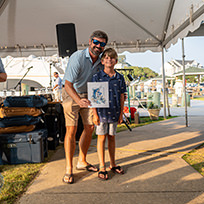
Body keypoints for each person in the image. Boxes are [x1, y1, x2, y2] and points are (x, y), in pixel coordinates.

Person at [62, 30, 108, 184]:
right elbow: (67, 85)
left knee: (90, 128)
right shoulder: (78, 57)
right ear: (90, 42)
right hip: (71, 93)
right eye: (96, 42)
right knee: (72, 130)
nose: (98, 46)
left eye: (102, 44)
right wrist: (78, 100)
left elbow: (103, 82)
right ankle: (69, 168)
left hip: (89, 95)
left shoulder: (102, 60)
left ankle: (82, 160)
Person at [92, 48, 126, 180]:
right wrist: (94, 114)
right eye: (106, 57)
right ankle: (102, 166)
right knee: (101, 138)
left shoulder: (120, 78)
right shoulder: (97, 77)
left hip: (115, 111)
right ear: (102, 61)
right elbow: (93, 97)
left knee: (112, 137)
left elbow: (122, 96)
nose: (109, 59)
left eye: (111, 57)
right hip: (101, 113)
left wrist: (121, 113)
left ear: (116, 61)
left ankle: (113, 164)